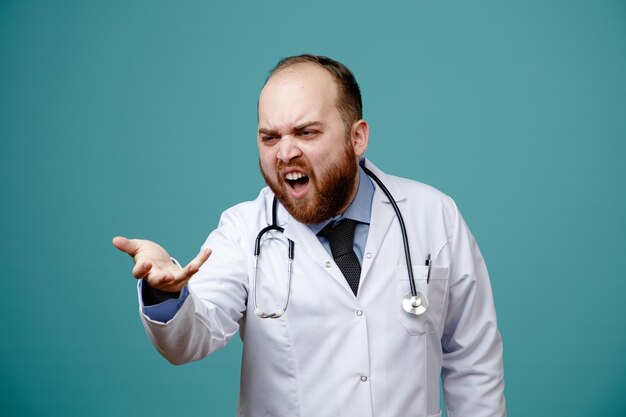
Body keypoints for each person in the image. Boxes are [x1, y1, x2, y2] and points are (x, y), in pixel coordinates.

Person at [113, 54, 506, 417]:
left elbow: (474, 362)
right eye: (270, 137)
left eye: (306, 132)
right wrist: (166, 295)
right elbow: (191, 337)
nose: (285, 153)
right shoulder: (243, 231)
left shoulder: (434, 216)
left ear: (357, 138)